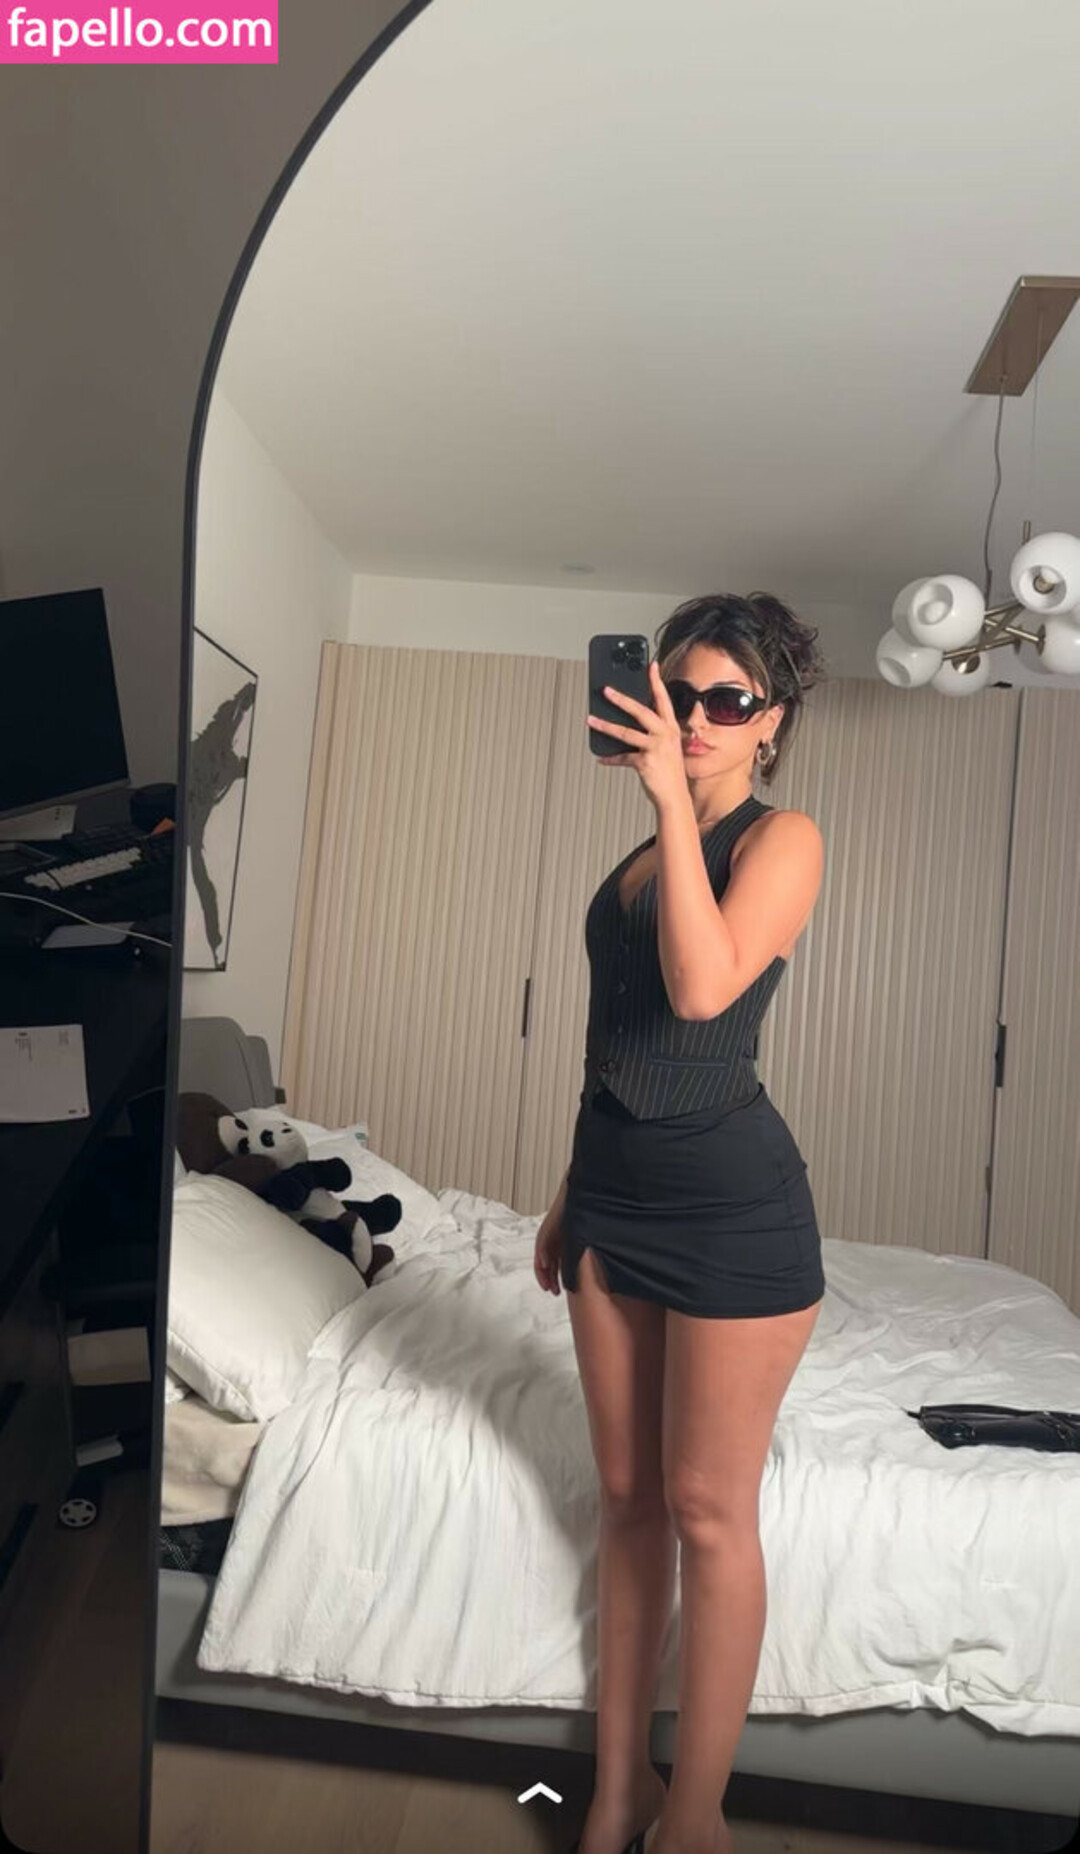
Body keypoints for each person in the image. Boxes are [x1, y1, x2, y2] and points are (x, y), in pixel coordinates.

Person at [534, 593, 828, 1854]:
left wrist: (668, 797)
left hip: (729, 1212)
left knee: (708, 1508)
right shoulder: (639, 857)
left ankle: (695, 1819)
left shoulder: (784, 838)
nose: (697, 719)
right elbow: (617, 1039)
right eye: (680, 693)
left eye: (728, 700)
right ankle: (616, 1793)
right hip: (613, 1196)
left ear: (772, 723)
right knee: (627, 1498)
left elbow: (702, 993)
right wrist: (570, 1191)